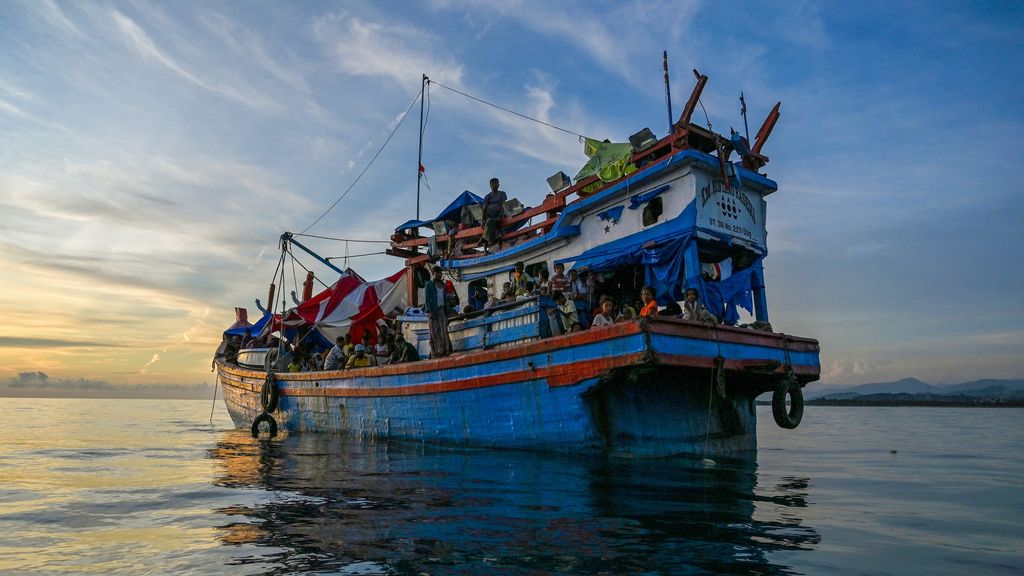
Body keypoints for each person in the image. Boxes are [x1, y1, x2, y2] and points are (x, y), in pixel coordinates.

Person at [424, 267, 453, 358]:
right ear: (434, 273)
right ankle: (437, 352)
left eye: (440, 273)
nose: (440, 275)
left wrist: (449, 311)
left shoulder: (443, 285)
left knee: (444, 331)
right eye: (438, 273)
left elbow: (446, 299)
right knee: (435, 332)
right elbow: (427, 300)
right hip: (434, 311)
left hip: (442, 310)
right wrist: (430, 312)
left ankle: (446, 350)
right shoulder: (429, 285)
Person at [480, 177, 507, 251]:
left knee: (490, 223)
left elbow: (503, 205)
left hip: (499, 215)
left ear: (498, 185)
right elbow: (484, 208)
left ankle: (483, 238)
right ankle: (485, 250)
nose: (494, 185)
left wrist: (501, 215)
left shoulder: (502, 194)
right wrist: (482, 220)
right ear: (490, 185)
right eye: (492, 184)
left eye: (495, 184)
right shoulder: (487, 196)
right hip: (489, 216)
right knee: (488, 222)